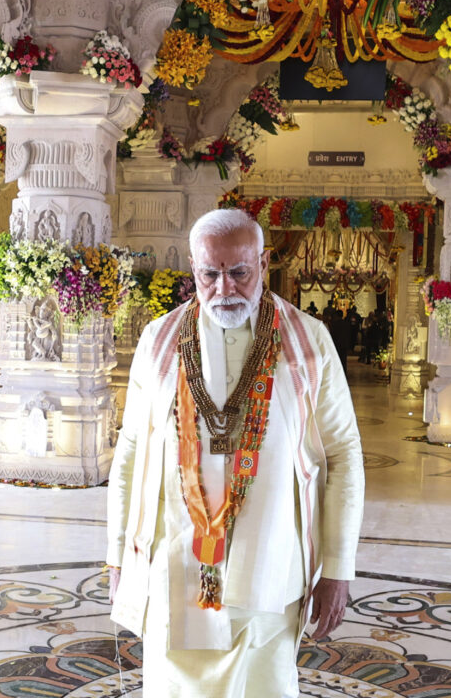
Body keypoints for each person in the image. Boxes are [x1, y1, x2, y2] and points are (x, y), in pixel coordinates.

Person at [107, 209, 365, 698]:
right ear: (192, 268)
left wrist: (338, 568)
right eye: (210, 273)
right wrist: (116, 557)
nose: (224, 288)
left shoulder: (308, 342)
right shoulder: (158, 341)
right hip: (175, 571)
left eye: (239, 272)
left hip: (272, 570)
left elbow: (344, 455)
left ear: (264, 263)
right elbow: (131, 451)